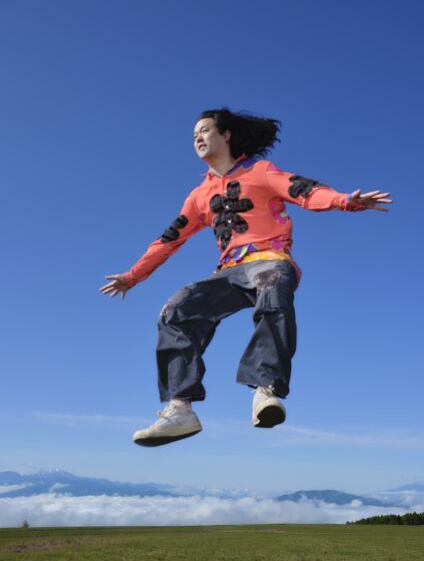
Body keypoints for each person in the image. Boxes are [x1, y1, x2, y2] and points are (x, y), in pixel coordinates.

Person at [100, 108, 392, 447]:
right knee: (176, 309)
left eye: (205, 130)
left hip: (269, 260)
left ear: (226, 135)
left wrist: (344, 200)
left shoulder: (260, 171)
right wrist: (132, 276)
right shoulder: (198, 196)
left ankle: (266, 389)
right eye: (194, 134)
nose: (197, 137)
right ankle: (180, 409)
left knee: (272, 285)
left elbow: (302, 189)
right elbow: (170, 239)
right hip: (228, 271)